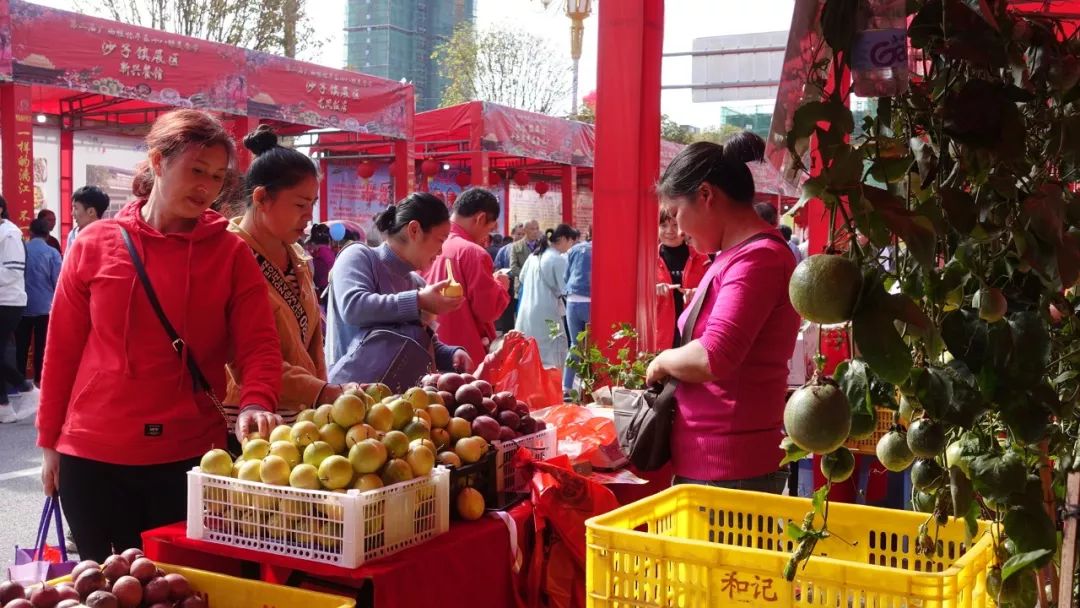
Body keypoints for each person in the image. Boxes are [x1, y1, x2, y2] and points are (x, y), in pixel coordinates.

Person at [36, 109, 283, 560]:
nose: (205, 187)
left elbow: (259, 344)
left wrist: (256, 400)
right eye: (195, 171)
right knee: (106, 588)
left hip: (187, 457)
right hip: (91, 456)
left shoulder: (231, 254)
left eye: (215, 176)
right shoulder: (96, 243)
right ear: (157, 161)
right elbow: (62, 351)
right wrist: (49, 442)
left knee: (178, 588)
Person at [644, 141, 800, 493]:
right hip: (716, 459)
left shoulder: (756, 259)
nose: (679, 230)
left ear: (705, 195)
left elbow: (714, 354)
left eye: (676, 212)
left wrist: (664, 360)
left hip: (730, 465)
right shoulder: (733, 256)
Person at [223, 126, 345, 424]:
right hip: (247, 416)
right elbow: (242, 354)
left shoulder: (300, 259)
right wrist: (322, 392)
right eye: (301, 205)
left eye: (312, 205)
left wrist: (324, 399)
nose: (308, 216)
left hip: (302, 415)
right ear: (262, 197)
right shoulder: (226, 255)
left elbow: (312, 349)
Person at [326, 193, 470, 380]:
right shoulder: (359, 256)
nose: (441, 251)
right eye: (440, 240)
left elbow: (418, 343)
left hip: (399, 401)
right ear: (414, 230)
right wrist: (419, 301)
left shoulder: (417, 283)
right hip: (350, 395)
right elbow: (354, 307)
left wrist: (451, 354)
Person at [423, 188, 510, 366]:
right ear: (480, 218)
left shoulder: (427, 243)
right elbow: (487, 311)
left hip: (430, 347)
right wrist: (501, 286)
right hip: (466, 353)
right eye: (489, 229)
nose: (486, 237)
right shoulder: (473, 253)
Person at [515, 224, 578, 368]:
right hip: (549, 315)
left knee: (530, 353)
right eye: (570, 242)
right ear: (562, 239)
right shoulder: (557, 259)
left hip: (526, 313)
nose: (570, 247)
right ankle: (554, 388)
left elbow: (522, 277)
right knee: (555, 348)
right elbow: (565, 289)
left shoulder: (533, 256)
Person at [656, 208, 710, 349]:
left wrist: (698, 293)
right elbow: (634, 297)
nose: (670, 231)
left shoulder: (702, 258)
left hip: (694, 332)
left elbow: (715, 291)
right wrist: (652, 291)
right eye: (664, 225)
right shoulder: (648, 260)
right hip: (659, 334)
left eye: (675, 225)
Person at [16, 218, 61, 390]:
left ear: (30, 232)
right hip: (45, 307)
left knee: (21, 345)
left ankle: (19, 382)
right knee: (43, 345)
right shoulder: (52, 253)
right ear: (48, 234)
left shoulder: (22, 250)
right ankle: (39, 381)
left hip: (22, 306)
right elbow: (58, 281)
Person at [0, 195, 31, 424]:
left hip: (9, 302)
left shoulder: (10, 233)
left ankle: (27, 390)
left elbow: (13, 271)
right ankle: (4, 408)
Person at [562, 235, 592, 395]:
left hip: (572, 300)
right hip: (592, 300)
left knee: (575, 344)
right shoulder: (602, 251)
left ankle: (566, 386)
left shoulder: (574, 249)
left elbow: (566, 276)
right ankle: (588, 387)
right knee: (593, 346)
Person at [66, 185, 110, 252]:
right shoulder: (73, 235)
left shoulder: (108, 237)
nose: (72, 213)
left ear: (91, 212)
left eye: (76, 208)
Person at [508, 219, 541, 295]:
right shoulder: (516, 246)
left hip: (540, 287)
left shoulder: (543, 245)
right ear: (525, 230)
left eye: (537, 228)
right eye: (532, 229)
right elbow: (513, 267)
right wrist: (529, 275)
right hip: (522, 286)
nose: (535, 231)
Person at [306, 223, 336, 304]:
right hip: (328, 288)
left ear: (313, 243)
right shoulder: (328, 252)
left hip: (325, 289)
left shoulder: (321, 254)